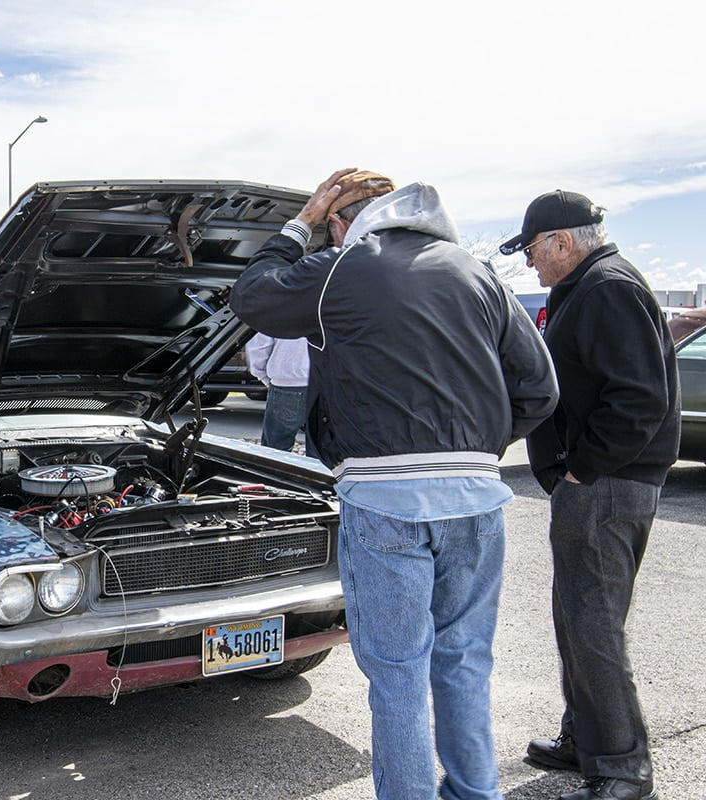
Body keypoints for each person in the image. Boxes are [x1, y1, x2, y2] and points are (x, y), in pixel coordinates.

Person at [230, 168, 559, 800]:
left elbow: (254, 296)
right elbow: (538, 390)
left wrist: (297, 226)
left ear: (338, 221)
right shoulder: (475, 272)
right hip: (476, 501)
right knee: (464, 662)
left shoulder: (338, 268)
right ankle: (475, 792)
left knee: (398, 674)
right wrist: (468, 451)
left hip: (384, 501)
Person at [500, 190, 680, 800]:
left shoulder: (607, 287)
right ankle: (585, 739)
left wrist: (583, 469)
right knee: (576, 619)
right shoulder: (587, 287)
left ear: (561, 241)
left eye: (532, 250)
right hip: (596, 482)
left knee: (594, 624)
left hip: (607, 485)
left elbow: (637, 398)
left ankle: (623, 766)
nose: (530, 263)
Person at [244, 332, 319, 457]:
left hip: (286, 381)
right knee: (320, 450)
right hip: (324, 383)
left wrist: (265, 377)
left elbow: (259, 347)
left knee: (274, 451)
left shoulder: (273, 311)